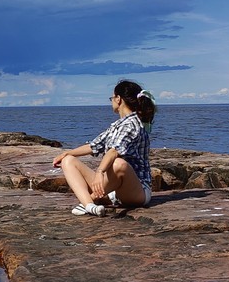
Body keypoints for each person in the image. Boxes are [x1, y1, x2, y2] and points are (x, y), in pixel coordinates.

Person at [52, 80, 156, 216]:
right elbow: (94, 145)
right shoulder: (118, 125)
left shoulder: (132, 124)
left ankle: (93, 198)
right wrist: (66, 153)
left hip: (137, 192)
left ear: (118, 99)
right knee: (68, 161)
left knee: (119, 164)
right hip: (113, 192)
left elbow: (114, 151)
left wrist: (100, 172)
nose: (111, 101)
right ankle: (89, 206)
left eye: (112, 98)